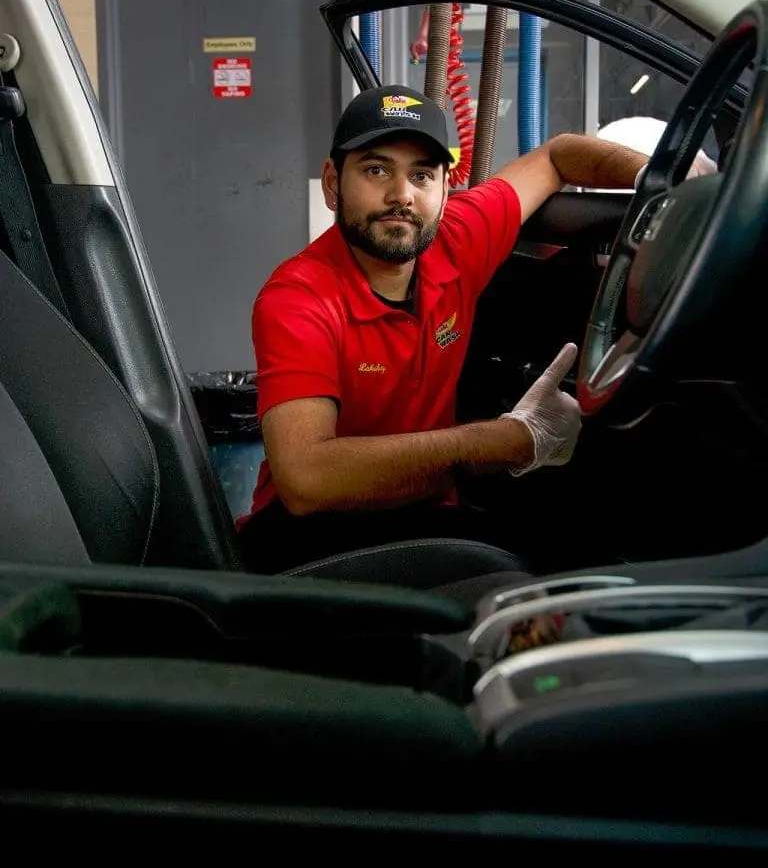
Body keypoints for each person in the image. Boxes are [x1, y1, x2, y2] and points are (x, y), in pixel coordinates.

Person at [237, 85, 648, 574]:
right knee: (548, 581)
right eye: (376, 169)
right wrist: (505, 441)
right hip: (308, 537)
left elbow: (557, 156)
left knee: (594, 560)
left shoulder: (456, 238)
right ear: (332, 183)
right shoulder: (298, 298)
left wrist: (668, 178)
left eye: (422, 175)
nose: (401, 195)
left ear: (444, 188)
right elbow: (306, 480)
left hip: (424, 511)